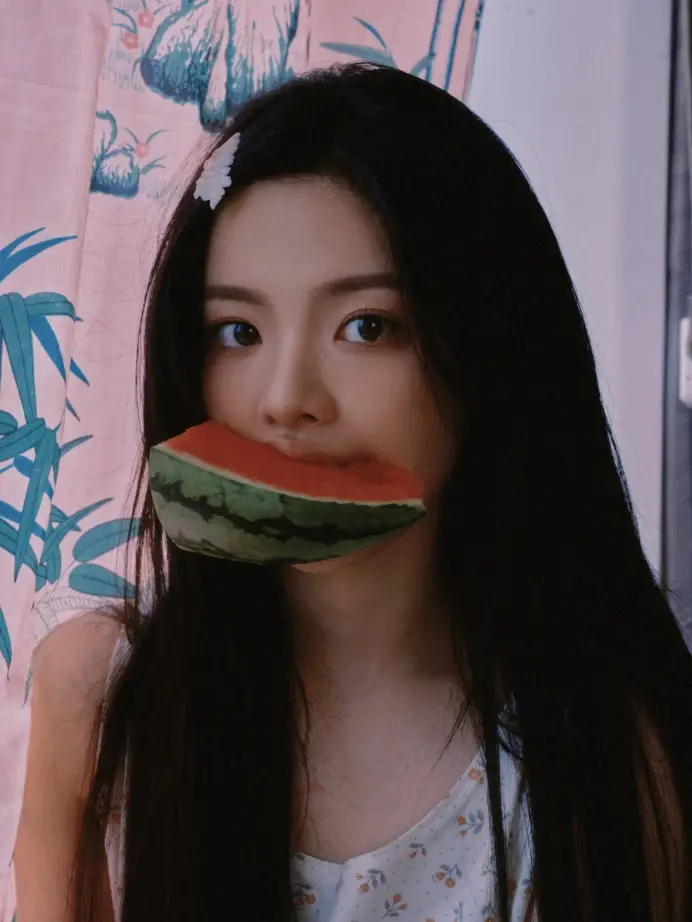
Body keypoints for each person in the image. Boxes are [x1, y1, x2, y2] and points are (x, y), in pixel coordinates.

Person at [13, 63, 692, 922]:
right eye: (238, 331)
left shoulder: (607, 751)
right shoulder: (101, 696)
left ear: (490, 353)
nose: (286, 397)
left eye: (367, 327)